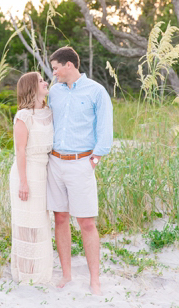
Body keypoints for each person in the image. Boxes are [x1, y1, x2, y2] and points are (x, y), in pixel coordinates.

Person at [47, 46, 113, 295]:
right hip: (55, 163)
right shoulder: (54, 92)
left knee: (86, 222)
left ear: (69, 65)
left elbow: (105, 128)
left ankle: (94, 279)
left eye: (56, 68)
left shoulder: (96, 91)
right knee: (60, 218)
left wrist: (94, 160)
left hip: (81, 163)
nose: (54, 73)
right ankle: (66, 274)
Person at [9, 71, 54, 284]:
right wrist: (23, 182)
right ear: (31, 88)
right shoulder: (23, 116)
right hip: (25, 173)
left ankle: (39, 271)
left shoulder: (49, 112)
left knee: (42, 222)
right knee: (27, 223)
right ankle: (27, 274)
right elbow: (20, 151)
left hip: (44, 172)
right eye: (40, 81)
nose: (45, 82)